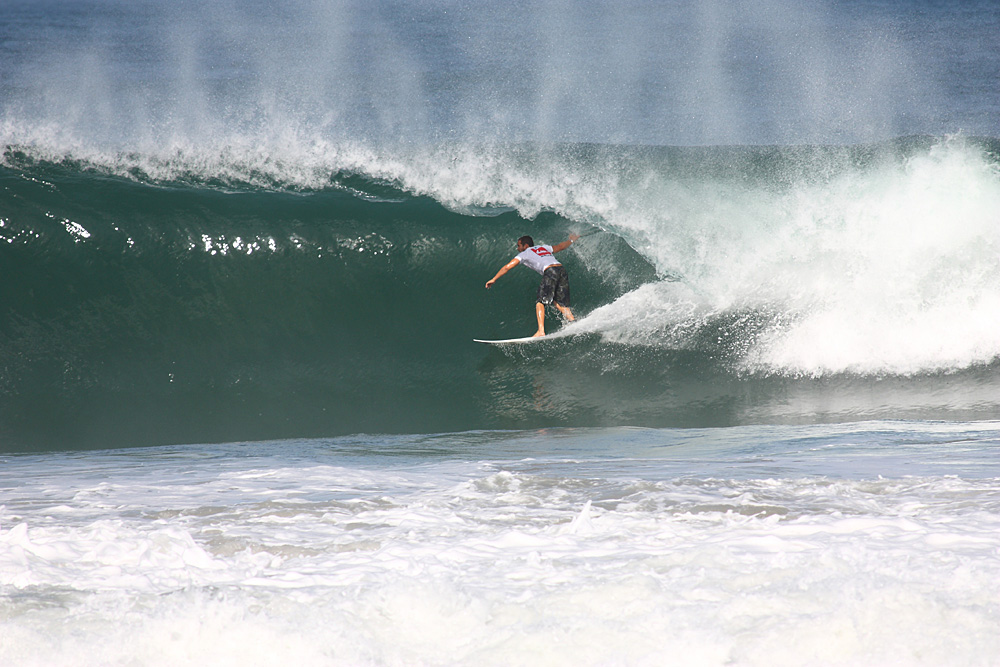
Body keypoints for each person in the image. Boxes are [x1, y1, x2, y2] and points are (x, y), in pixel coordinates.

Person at [485, 233, 580, 337]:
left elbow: (507, 267)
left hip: (550, 270)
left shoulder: (525, 253)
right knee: (559, 302)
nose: (517, 248)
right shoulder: (543, 248)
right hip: (561, 269)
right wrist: (571, 240)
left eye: (519, 245)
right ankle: (573, 321)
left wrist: (494, 279)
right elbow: (561, 247)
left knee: (540, 302)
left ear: (525, 246)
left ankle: (541, 331)